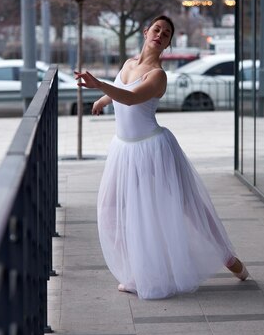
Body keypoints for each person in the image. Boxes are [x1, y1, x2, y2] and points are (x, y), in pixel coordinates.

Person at [74, 15, 248, 300]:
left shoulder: (158, 75)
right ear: (145, 32)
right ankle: (134, 272)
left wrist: (100, 86)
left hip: (153, 149)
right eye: (156, 29)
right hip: (124, 149)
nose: (160, 34)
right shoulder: (130, 64)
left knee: (188, 207)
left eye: (166, 34)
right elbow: (122, 90)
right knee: (110, 209)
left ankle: (230, 259)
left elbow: (131, 98)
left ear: (167, 43)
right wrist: (103, 99)